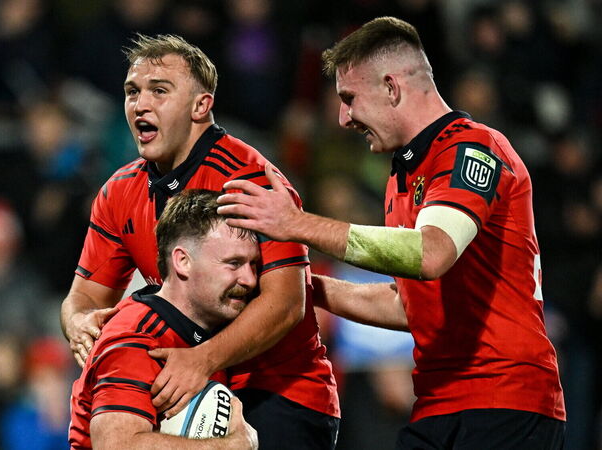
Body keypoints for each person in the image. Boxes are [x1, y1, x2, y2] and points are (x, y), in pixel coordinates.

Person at [217, 16, 566, 449]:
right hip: (440, 402)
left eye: (349, 98)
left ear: (390, 87)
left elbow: (431, 253)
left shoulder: (472, 147)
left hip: (506, 400)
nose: (343, 118)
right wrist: (299, 285)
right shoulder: (403, 176)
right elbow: (409, 304)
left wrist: (296, 224)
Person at [61, 34, 345, 449]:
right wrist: (77, 324)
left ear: (200, 106)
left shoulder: (250, 181)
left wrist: (202, 360)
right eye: (132, 92)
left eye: (159, 91)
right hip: (192, 384)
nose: (140, 104)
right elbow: (84, 297)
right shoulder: (118, 192)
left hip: (278, 392)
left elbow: (286, 302)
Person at [68, 189, 258, 449]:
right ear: (183, 261)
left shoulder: (213, 332)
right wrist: (231, 446)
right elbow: (116, 444)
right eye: (234, 263)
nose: (249, 280)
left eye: (253, 264)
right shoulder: (137, 338)